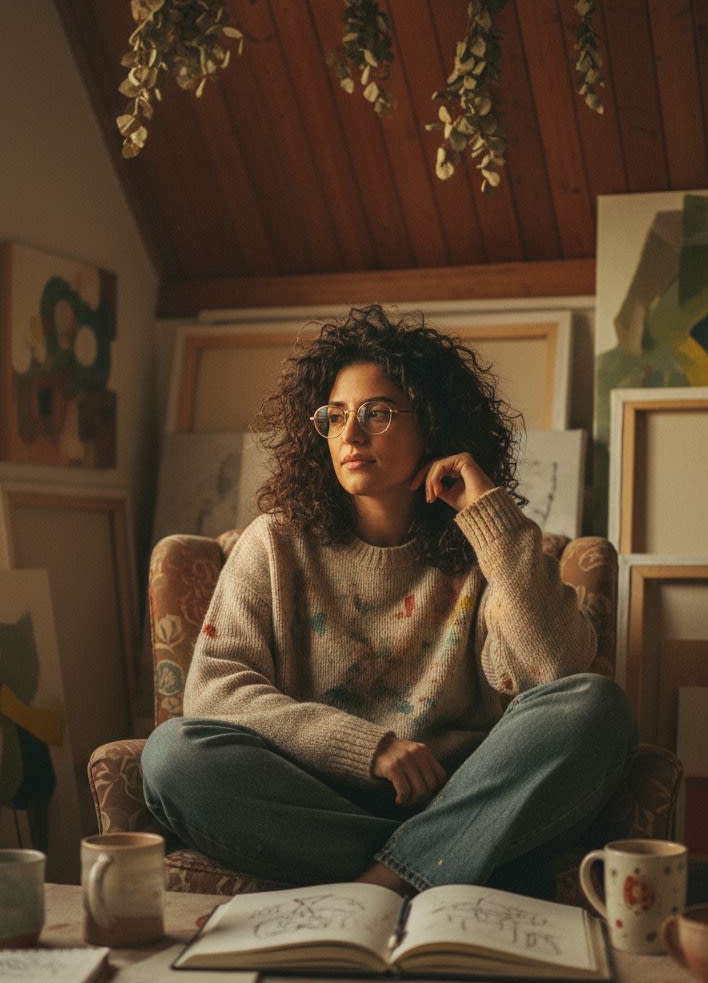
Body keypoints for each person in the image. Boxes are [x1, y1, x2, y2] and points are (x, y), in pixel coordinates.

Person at [142, 304, 638, 898]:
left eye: (376, 413)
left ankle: (383, 878)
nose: (350, 435)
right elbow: (214, 690)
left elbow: (553, 668)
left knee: (597, 706)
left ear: (431, 422)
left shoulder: (486, 543)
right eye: (335, 416)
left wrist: (491, 517)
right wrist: (366, 748)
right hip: (315, 799)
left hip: (464, 791)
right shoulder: (274, 541)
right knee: (172, 757)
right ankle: (445, 861)